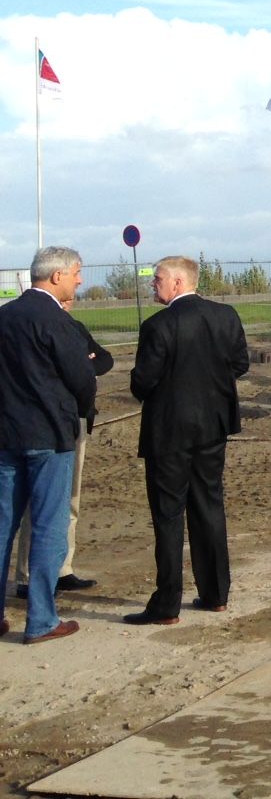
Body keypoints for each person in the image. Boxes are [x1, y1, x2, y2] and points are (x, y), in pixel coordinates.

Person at [124, 255, 250, 627]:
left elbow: (142, 383)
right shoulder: (225, 316)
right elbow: (240, 364)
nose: (153, 284)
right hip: (212, 426)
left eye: (157, 278)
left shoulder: (158, 325)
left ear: (178, 282)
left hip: (169, 432)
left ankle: (167, 604)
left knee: (168, 515)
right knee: (208, 505)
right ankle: (215, 594)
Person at [0, 246, 99, 643]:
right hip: (49, 436)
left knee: (4, 525)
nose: (79, 280)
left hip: (7, 435)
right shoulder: (55, 321)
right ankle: (41, 619)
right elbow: (82, 377)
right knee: (48, 526)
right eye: (77, 273)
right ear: (56, 276)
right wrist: (82, 411)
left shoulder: (5, 316)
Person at [12, 314, 111, 600]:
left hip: (74, 421)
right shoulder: (32, 324)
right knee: (38, 502)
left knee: (71, 498)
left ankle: (62, 568)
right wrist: (80, 365)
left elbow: (104, 359)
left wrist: (85, 363)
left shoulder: (73, 327)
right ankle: (29, 576)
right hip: (40, 425)